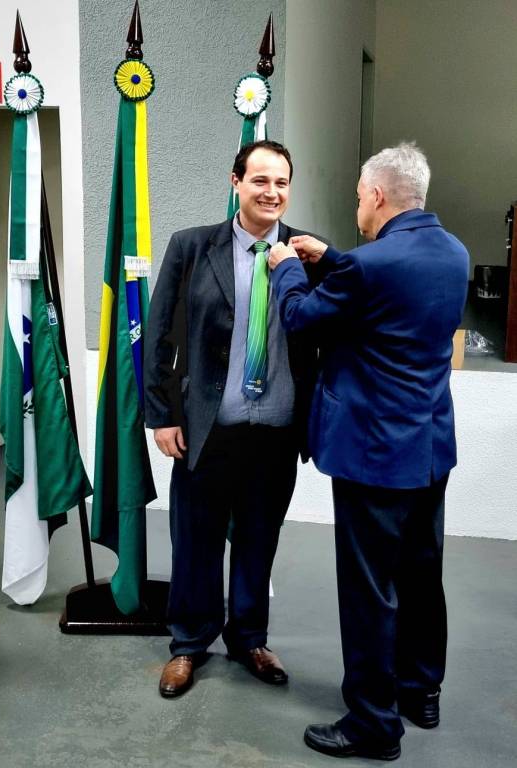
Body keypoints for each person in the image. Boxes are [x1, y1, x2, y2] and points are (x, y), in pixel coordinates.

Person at [268, 143, 469, 761]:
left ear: (377, 195)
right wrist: (332, 258)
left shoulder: (369, 265)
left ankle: (372, 724)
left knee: (368, 590)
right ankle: (420, 692)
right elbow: (388, 297)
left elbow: (301, 318)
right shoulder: (453, 252)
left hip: (372, 454)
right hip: (428, 447)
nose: (357, 204)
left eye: (359, 195)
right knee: (421, 576)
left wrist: (287, 266)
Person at [144, 140, 325, 698]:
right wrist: (163, 415)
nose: (272, 192)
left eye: (282, 182)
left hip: (276, 429)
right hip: (208, 428)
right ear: (236, 182)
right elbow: (160, 334)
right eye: (260, 180)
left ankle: (249, 640)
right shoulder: (192, 247)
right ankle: (188, 644)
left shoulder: (309, 255)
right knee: (195, 541)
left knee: (258, 539)